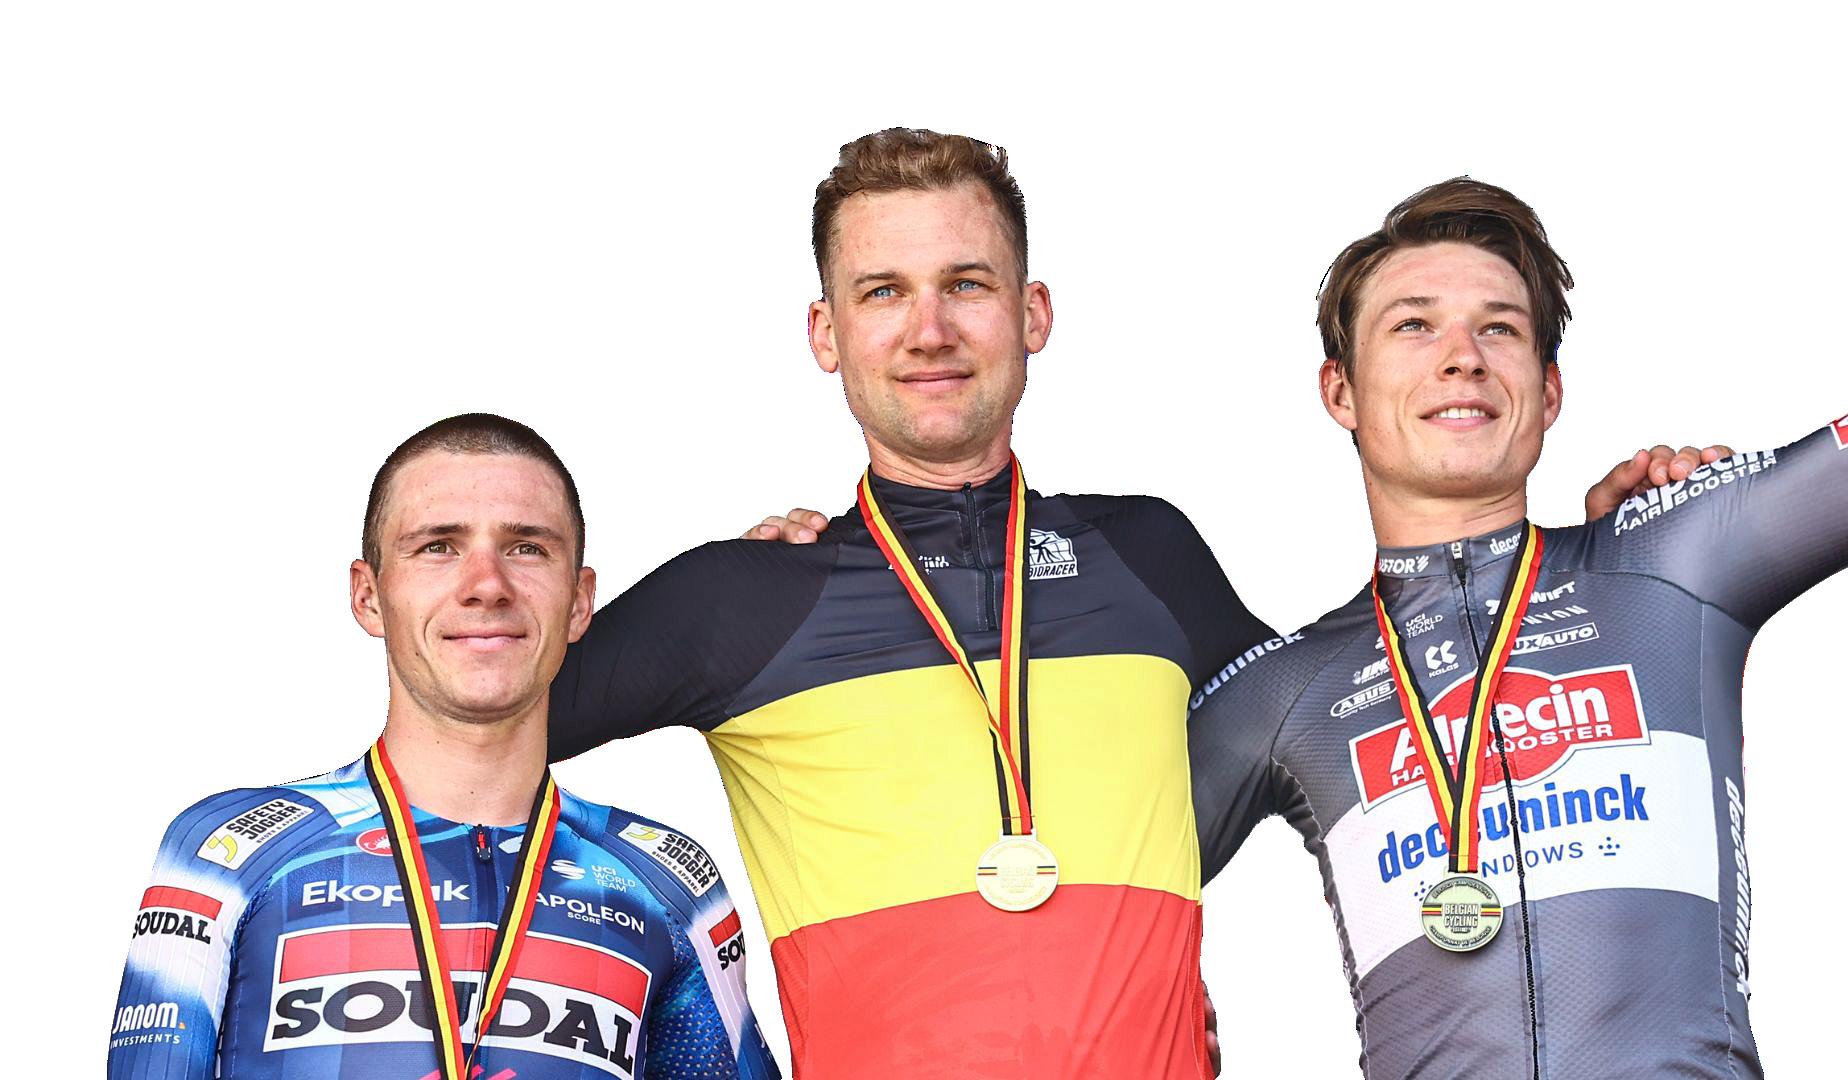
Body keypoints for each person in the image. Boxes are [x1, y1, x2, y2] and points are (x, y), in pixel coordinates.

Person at [547, 130, 1702, 1078]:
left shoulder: (1146, 555)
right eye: (883, 292)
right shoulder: (741, 598)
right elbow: (472, 726)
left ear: (1033, 314)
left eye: (966, 285)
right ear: (826, 332)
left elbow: (1375, 721)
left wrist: (1584, 571)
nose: (929, 329)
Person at [1187, 178, 1847, 1078]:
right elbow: (1070, 891)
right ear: (1341, 391)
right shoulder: (1285, 689)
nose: (1462, 357)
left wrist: (1666, 524)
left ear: (1549, 389)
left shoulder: (1674, 560)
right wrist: (1156, 1001)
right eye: (1414, 325)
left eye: (1499, 328)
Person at [108, 414, 780, 1080]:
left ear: (579, 603)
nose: (486, 584)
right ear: (369, 597)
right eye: (438, 547)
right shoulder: (226, 855)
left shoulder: (672, 885)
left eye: (526, 548)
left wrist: (793, 582)